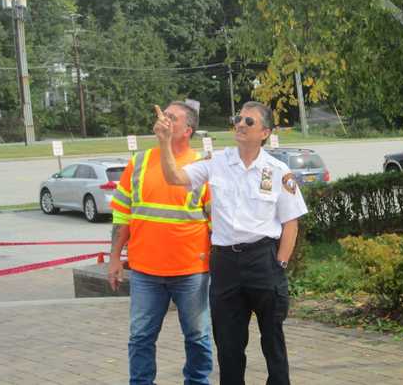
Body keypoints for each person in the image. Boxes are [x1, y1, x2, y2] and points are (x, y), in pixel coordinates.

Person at [154, 100, 307, 385]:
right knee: (228, 344)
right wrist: (164, 142)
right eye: (237, 118)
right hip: (225, 263)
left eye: (249, 121)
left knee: (273, 340)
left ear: (264, 132)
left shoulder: (277, 171)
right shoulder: (217, 163)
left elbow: (290, 223)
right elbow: (173, 177)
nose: (240, 124)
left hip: (263, 260)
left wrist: (280, 264)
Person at [108, 101, 213, 385]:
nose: (163, 120)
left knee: (198, 336)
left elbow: (216, 222)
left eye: (172, 118)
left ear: (187, 130)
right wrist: (115, 258)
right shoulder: (139, 162)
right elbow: (121, 213)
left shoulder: (203, 168)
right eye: (162, 115)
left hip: (191, 271)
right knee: (140, 336)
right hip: (145, 271)